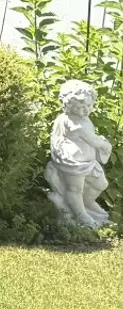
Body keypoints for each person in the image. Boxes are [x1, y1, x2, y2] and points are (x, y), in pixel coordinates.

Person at [46, 80, 112, 228]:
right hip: (73, 163)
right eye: (80, 107)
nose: (86, 110)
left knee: (101, 184)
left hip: (88, 162)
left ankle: (86, 203)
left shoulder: (83, 118)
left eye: (88, 106)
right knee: (74, 189)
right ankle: (81, 215)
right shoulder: (71, 122)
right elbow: (92, 139)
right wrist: (105, 145)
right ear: (69, 106)